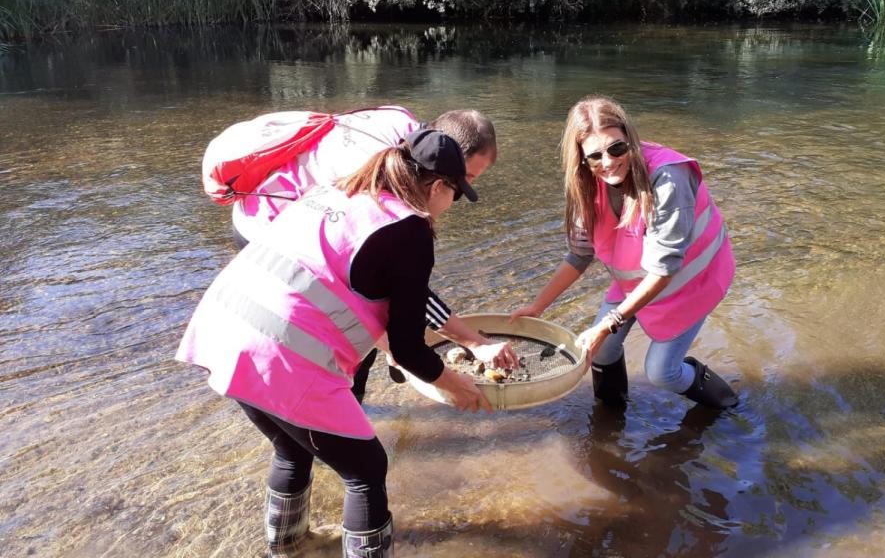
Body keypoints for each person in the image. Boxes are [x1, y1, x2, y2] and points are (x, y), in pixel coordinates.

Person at [177, 129, 489, 557]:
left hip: (223, 329)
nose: (452, 205)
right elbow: (408, 346)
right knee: (366, 470)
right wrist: (457, 385)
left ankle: (286, 546)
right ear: (438, 187)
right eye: (456, 194)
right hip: (280, 354)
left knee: (290, 447)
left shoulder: (339, 190)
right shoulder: (411, 230)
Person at [203, 106, 518, 394]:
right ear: (442, 160)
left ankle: (348, 405)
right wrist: (472, 342)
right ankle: (335, 409)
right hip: (266, 225)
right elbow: (404, 282)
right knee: (349, 335)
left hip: (291, 214)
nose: (461, 192)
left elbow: (403, 283)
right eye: (463, 180)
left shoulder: (405, 141)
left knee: (372, 328)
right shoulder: (376, 175)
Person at [511, 95, 738, 410]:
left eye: (616, 148)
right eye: (594, 155)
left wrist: (607, 324)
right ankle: (610, 420)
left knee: (662, 373)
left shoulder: (668, 177)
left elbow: (664, 269)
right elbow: (579, 256)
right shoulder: (586, 183)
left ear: (629, 138)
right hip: (636, 281)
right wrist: (537, 306)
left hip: (691, 282)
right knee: (600, 351)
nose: (608, 163)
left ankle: (728, 406)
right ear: (581, 159)